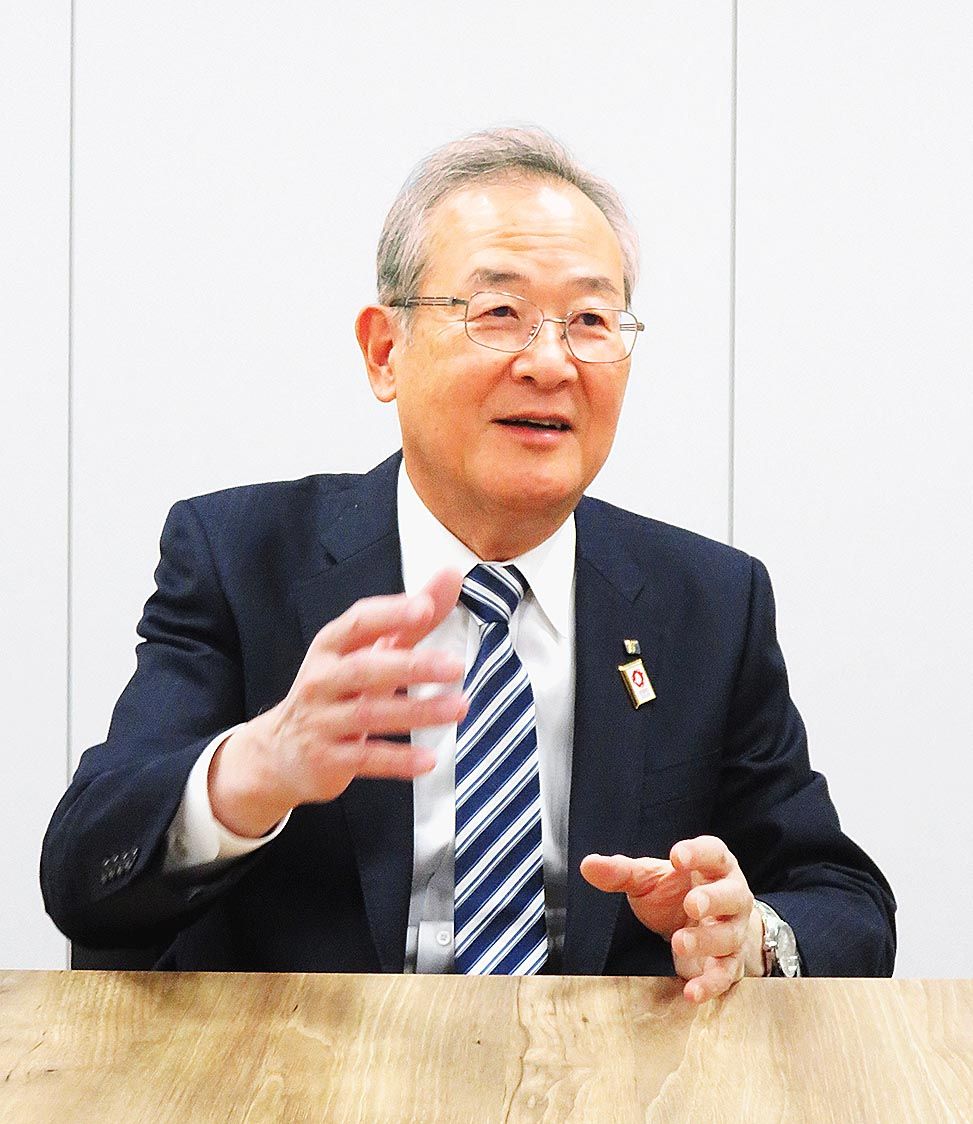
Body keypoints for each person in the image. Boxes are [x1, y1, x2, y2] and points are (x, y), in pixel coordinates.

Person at [41, 127, 895, 1001]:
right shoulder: (240, 558)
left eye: (590, 321)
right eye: (498, 314)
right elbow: (83, 873)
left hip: (600, 1068)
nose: (551, 363)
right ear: (385, 351)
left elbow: (845, 902)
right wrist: (253, 770)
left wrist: (748, 934)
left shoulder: (708, 601)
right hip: (308, 1062)